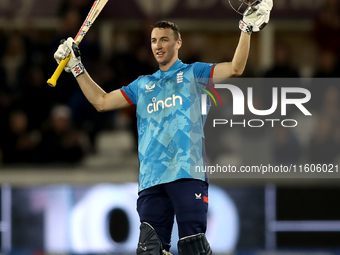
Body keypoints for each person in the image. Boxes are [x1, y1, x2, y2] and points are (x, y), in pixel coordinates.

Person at [53, 1, 272, 254]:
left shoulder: (195, 73)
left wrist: (245, 28)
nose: (158, 45)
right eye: (154, 40)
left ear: (178, 43)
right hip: (150, 180)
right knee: (149, 251)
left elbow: (236, 67)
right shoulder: (142, 85)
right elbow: (101, 102)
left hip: (187, 174)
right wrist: (77, 68)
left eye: (164, 39)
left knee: (193, 247)